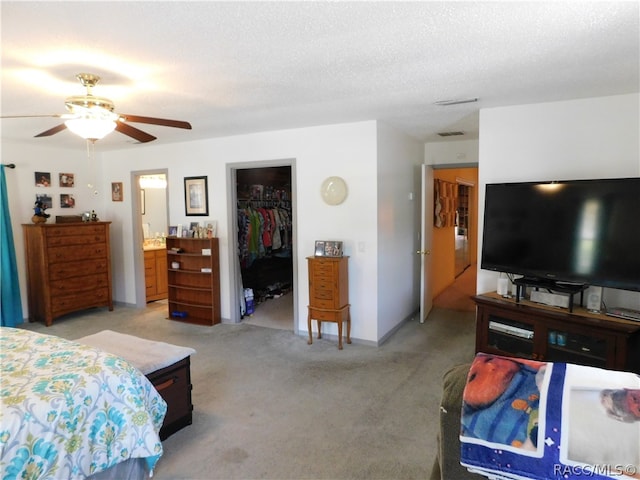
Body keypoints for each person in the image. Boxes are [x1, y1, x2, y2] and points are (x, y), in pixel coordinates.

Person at [462, 353, 546, 450]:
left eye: (490, 359)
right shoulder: (475, 423)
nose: (491, 366)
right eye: (473, 376)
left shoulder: (530, 371)